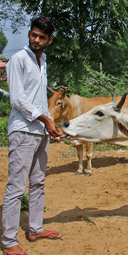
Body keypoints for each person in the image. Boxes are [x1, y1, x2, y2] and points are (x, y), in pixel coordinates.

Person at [2, 15, 63, 255]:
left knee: (38, 183)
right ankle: (8, 241)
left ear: (49, 40)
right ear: (30, 33)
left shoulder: (43, 61)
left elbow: (38, 99)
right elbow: (17, 99)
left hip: (40, 131)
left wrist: (51, 126)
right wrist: (47, 120)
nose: (36, 40)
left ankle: (35, 228)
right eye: (33, 35)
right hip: (23, 131)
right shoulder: (18, 59)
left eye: (41, 37)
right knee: (16, 187)